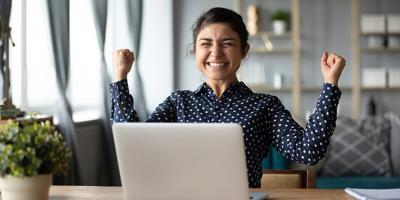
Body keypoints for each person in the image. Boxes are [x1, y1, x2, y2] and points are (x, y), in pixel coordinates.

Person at [109, 7, 345, 188]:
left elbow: (309, 151)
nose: (215, 52)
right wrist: (120, 78)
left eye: (227, 43)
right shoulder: (178, 103)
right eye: (206, 44)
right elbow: (135, 145)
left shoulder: (265, 106)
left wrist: (330, 85)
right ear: (195, 50)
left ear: (244, 50)